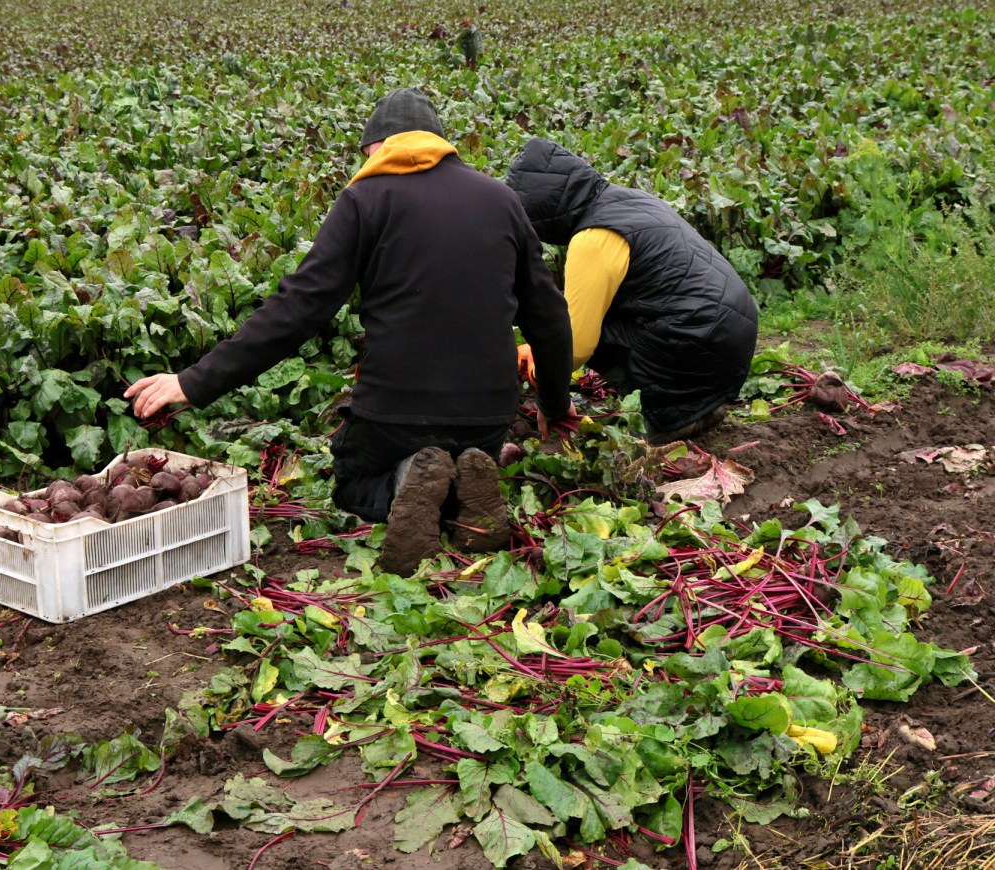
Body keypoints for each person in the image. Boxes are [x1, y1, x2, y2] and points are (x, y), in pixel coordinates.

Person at [126, 90, 573, 574]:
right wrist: (553, 403)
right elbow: (548, 318)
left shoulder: (365, 198)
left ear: (378, 147)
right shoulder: (502, 200)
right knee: (465, 455)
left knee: (352, 481)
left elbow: (299, 308)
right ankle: (463, 488)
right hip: (487, 415)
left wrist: (194, 381)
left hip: (395, 413)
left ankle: (407, 480)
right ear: (439, 143)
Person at [506, 137, 758, 444]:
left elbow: (573, 346)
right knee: (592, 319)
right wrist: (535, 352)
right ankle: (699, 409)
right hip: (734, 333)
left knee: (566, 335)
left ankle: (666, 421)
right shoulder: (632, 201)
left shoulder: (593, 237)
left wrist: (550, 400)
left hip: (696, 339)